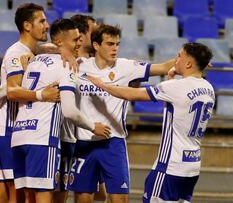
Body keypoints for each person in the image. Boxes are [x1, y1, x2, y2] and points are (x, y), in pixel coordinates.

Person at [87, 42, 215, 203]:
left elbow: (132, 94)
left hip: (170, 166)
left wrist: (102, 85)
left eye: (179, 56)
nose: (176, 59)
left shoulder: (176, 87)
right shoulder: (209, 88)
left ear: (188, 63)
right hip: (192, 166)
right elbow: (179, 103)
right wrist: (172, 77)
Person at [66, 24, 176, 203]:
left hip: (113, 144)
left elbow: (163, 68)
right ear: (96, 46)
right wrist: (63, 53)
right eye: (110, 44)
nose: (115, 48)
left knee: (120, 199)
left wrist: (189, 59)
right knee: (83, 198)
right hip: (84, 142)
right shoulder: (79, 66)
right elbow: (53, 48)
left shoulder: (126, 67)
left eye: (117, 44)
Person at [11, 19, 111, 203]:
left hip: (20, 135)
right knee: (48, 195)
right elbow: (70, 111)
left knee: (27, 197)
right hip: (48, 137)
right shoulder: (67, 65)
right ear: (60, 42)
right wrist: (92, 126)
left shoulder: (34, 60)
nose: (78, 43)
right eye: (75, 39)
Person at [0, 3, 61, 203]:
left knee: (0, 196)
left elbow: (53, 47)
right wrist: (41, 95)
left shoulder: (31, 51)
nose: (47, 25)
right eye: (42, 21)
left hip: (3, 129)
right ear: (27, 26)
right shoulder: (16, 53)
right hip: (8, 130)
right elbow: (12, 91)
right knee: (17, 197)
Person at [53, 14, 107, 203]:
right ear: (82, 36)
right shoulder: (63, 62)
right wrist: (61, 51)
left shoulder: (95, 64)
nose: (98, 35)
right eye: (94, 30)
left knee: (100, 193)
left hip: (85, 136)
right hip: (67, 134)